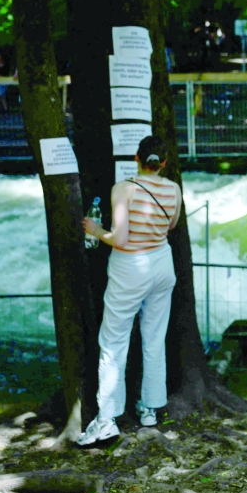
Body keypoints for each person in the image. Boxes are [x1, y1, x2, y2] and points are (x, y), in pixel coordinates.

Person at [78, 136, 182, 446]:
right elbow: (172, 225)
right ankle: (149, 408)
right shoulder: (173, 189)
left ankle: (107, 418)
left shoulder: (124, 188)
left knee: (113, 341)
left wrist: (97, 231)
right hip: (162, 265)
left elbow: (120, 238)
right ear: (163, 163)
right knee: (153, 337)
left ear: (137, 158)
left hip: (130, 268)